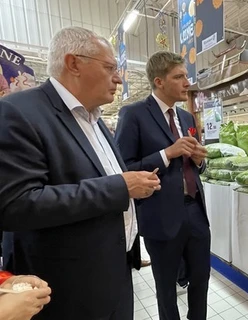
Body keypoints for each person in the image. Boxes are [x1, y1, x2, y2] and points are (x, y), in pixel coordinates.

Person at [0, 26, 161, 320]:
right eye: (110, 67)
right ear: (74, 63)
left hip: (116, 275)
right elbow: (17, 204)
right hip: (69, 289)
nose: (118, 77)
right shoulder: (18, 111)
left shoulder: (95, 120)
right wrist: (119, 188)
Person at [115, 51, 209, 320]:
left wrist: (199, 161)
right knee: (166, 286)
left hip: (196, 211)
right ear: (159, 81)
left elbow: (193, 165)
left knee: (201, 279)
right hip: (160, 215)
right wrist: (167, 154)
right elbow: (123, 169)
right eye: (179, 77)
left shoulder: (187, 119)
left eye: (186, 76)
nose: (187, 83)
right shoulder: (134, 114)